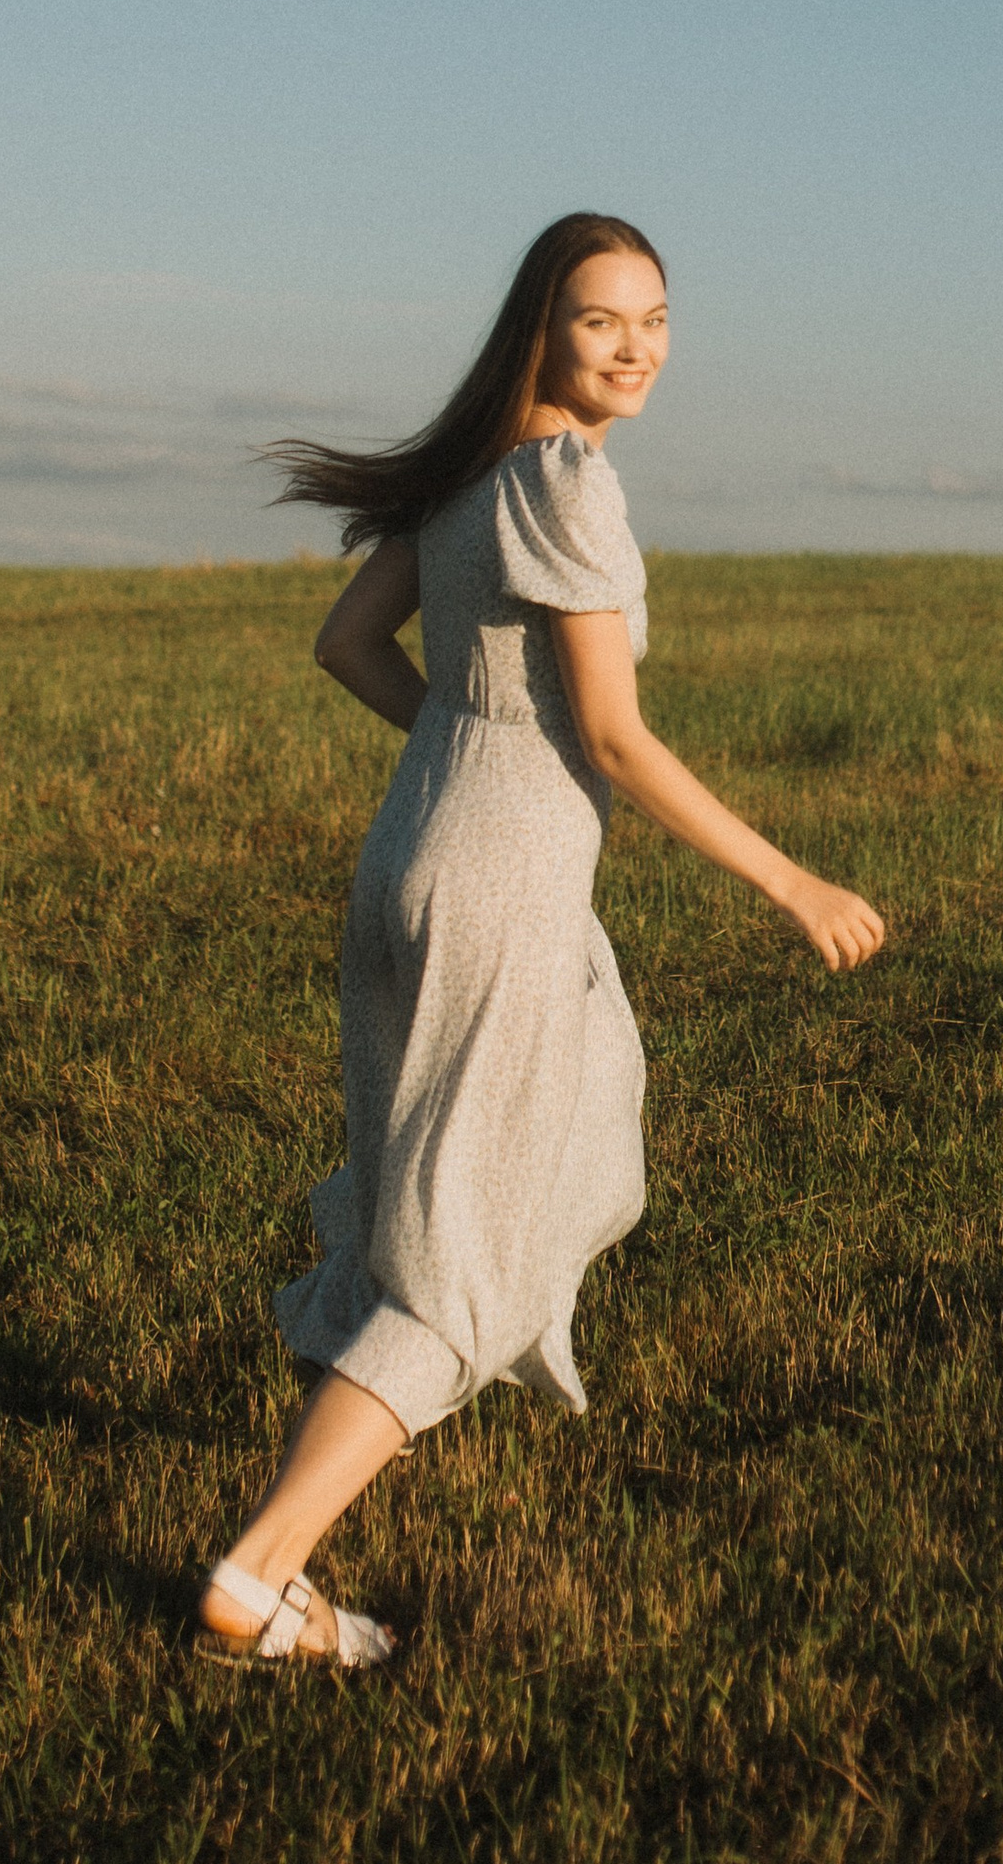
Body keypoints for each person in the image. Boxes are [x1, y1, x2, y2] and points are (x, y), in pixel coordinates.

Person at [195, 211, 887, 1670]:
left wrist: (474, 751)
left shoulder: (467, 475)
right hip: (498, 893)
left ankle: (293, 1518)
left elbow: (348, 648)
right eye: (599, 320)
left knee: (468, 1183)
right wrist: (793, 882)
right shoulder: (565, 483)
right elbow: (622, 741)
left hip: (411, 862)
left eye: (654, 317)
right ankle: (260, 1576)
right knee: (475, 1256)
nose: (635, 346)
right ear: (542, 329)